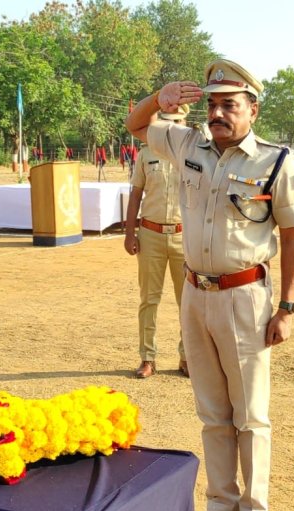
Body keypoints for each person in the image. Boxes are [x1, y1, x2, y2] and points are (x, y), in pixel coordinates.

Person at [125, 59, 294, 511]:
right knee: (212, 412)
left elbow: (292, 238)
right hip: (196, 294)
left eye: (230, 104)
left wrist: (287, 308)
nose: (218, 113)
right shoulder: (187, 145)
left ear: (252, 109)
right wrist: (160, 98)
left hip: (245, 297)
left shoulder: (276, 163)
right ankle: (222, 505)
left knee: (250, 415)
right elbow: (136, 124)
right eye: (212, 104)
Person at [124, 104, 190, 380]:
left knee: (188, 303)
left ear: (184, 122)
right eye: (167, 121)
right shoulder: (146, 153)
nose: (171, 127)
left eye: (176, 122)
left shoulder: (192, 154)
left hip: (183, 235)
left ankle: (187, 357)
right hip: (150, 234)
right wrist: (130, 233)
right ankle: (147, 358)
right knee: (148, 300)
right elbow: (136, 194)